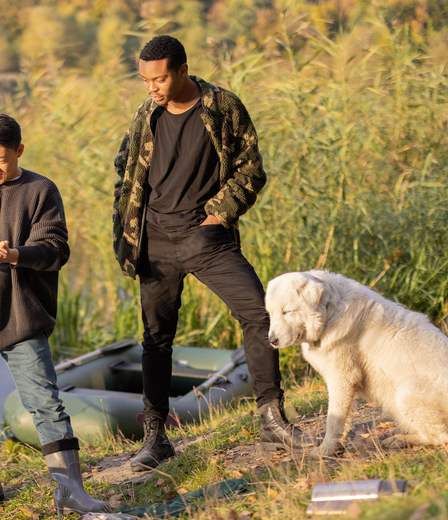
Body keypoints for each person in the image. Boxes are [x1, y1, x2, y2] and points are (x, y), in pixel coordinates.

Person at [113, 35, 310, 472]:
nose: (152, 87)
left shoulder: (222, 106)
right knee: (156, 339)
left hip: (205, 238)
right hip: (155, 241)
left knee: (259, 315)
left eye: (160, 78)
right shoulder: (147, 113)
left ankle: (272, 418)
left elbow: (250, 169)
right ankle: (155, 438)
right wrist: (129, 228)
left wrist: (216, 217)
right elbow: (125, 167)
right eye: (145, 79)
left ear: (183, 70)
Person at [0, 114, 107, 519]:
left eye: (1, 160)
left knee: (46, 403)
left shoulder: (41, 190)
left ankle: (70, 490)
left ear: (20, 151)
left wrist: (14, 255)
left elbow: (54, 248)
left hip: (22, 316)